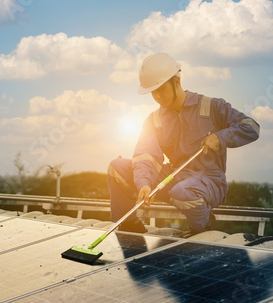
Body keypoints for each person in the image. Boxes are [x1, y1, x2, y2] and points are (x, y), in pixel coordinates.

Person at [107, 53, 260, 235]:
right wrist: (144, 183)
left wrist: (221, 138)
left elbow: (252, 128)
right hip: (174, 176)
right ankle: (129, 225)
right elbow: (145, 155)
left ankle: (202, 226)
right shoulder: (154, 119)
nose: (156, 96)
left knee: (183, 192)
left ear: (177, 82)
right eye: (152, 92)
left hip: (209, 181)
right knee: (117, 168)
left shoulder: (212, 106)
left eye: (160, 89)